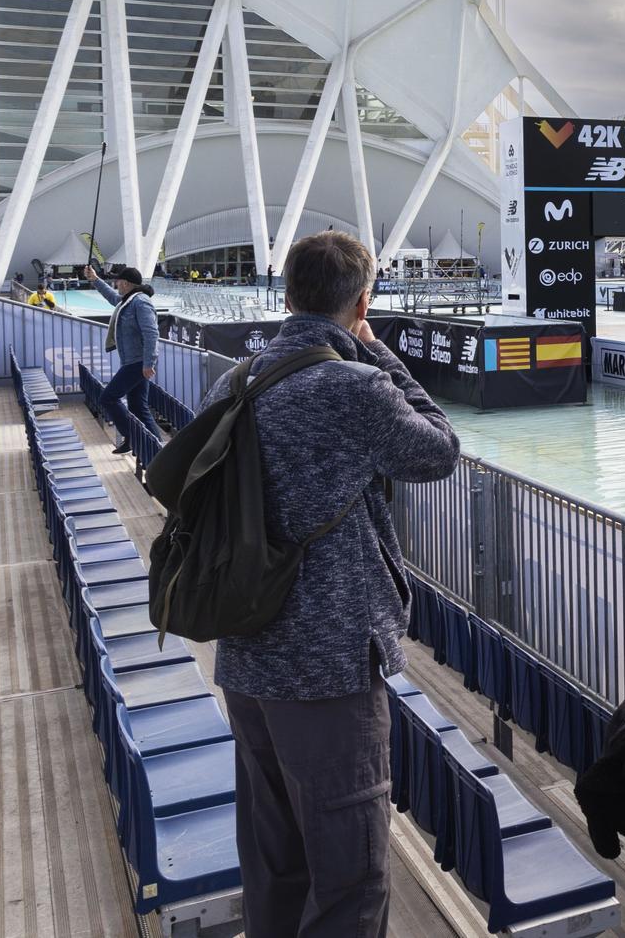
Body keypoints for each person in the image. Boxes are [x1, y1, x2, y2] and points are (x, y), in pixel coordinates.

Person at [204, 230, 460, 937]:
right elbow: (440, 446)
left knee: (275, 863)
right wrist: (376, 350)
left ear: (288, 295)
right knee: (350, 880)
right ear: (362, 300)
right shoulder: (354, 386)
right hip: (330, 670)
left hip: (247, 657)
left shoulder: (237, 378)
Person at [84, 262, 160, 454]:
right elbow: (113, 297)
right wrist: (95, 280)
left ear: (125, 283)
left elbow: (152, 334)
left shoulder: (140, 302)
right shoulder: (129, 299)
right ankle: (158, 450)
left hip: (137, 363)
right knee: (138, 406)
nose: (116, 284)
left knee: (108, 398)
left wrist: (149, 363)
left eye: (117, 281)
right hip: (133, 362)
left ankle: (133, 437)